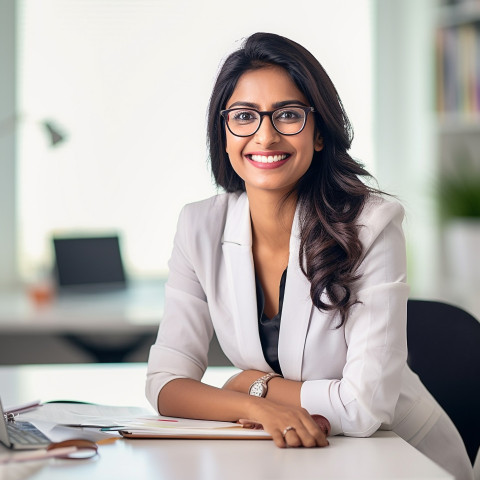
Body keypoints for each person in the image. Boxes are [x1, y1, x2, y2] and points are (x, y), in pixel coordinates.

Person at [146, 32, 473, 479]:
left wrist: (255, 384)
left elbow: (362, 408)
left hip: (401, 457)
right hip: (294, 452)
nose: (265, 135)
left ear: (318, 133)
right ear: (223, 134)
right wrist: (256, 406)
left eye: (288, 115)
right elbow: (164, 383)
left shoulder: (372, 224)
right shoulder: (199, 225)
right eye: (244, 116)